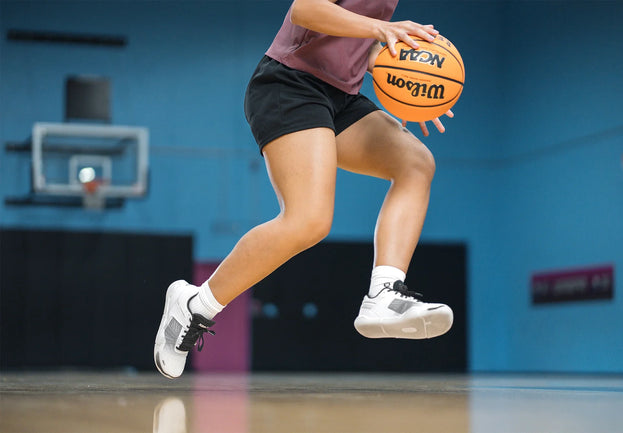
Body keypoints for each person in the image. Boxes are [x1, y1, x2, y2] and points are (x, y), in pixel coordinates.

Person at [154, 0, 454, 379]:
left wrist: (407, 79)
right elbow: (306, 11)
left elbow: (357, 42)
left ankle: (384, 293)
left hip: (341, 95)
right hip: (290, 84)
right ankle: (196, 305)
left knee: (416, 163)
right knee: (308, 221)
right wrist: (381, 29)